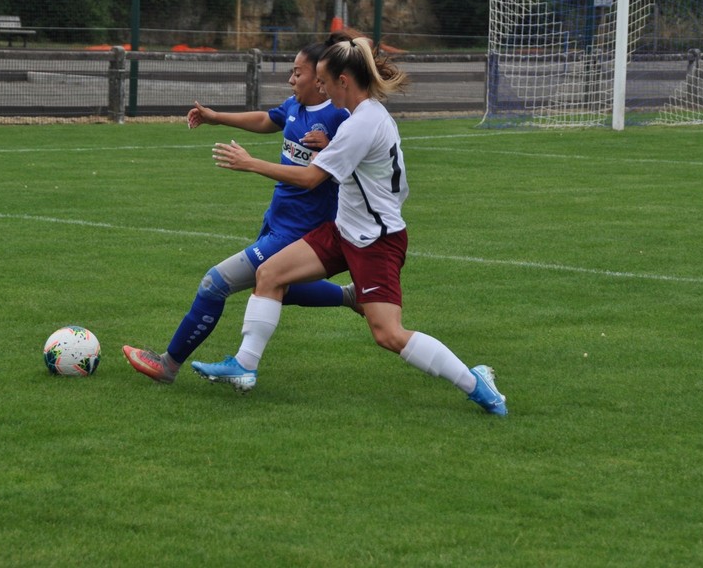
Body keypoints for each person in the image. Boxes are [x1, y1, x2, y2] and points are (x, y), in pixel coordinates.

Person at [192, 36, 508, 416]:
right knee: (270, 273)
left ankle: (476, 383)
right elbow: (361, 43)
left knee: (387, 334)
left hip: (376, 240)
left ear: (344, 81)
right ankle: (245, 365)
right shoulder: (363, 114)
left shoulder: (363, 124)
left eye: (324, 81)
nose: (320, 88)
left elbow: (310, 179)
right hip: (344, 229)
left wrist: (251, 163)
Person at [122, 42, 357, 383]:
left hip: (301, 232)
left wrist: (254, 162)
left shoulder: (339, 118)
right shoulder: (296, 107)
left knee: (214, 283)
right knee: (277, 287)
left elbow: (330, 172)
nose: (291, 79)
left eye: (297, 72)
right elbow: (267, 119)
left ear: (321, 79)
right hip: (277, 221)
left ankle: (168, 365)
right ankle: (349, 296)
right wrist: (215, 117)